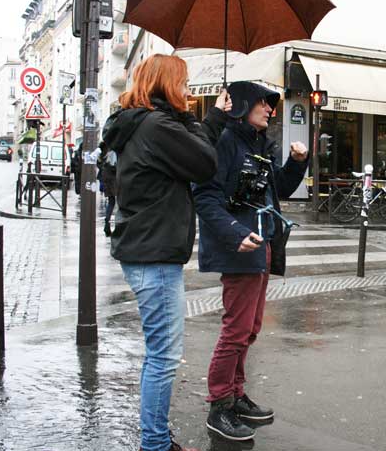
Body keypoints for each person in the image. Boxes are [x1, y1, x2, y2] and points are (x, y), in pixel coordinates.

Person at [102, 54, 232, 451]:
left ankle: (157, 440)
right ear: (166, 85)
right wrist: (197, 118)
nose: (189, 91)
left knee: (159, 353)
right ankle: (156, 444)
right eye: (184, 83)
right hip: (154, 253)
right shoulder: (157, 125)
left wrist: (208, 121)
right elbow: (204, 162)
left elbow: (189, 155)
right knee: (163, 357)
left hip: (146, 248)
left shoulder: (141, 124)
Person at [194, 81, 309, 442]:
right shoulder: (226, 141)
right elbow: (206, 196)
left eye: (271, 104)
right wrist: (233, 233)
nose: (270, 109)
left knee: (251, 328)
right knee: (235, 331)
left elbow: (279, 189)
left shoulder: (258, 143)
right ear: (243, 105)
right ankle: (219, 404)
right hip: (240, 248)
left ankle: (236, 394)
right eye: (263, 103)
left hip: (262, 245)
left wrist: (297, 162)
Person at [97, 140, 117, 236]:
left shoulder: (102, 150)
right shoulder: (112, 151)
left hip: (105, 177)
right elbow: (114, 166)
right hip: (113, 178)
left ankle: (107, 222)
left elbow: (99, 163)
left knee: (111, 201)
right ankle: (110, 223)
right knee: (116, 201)